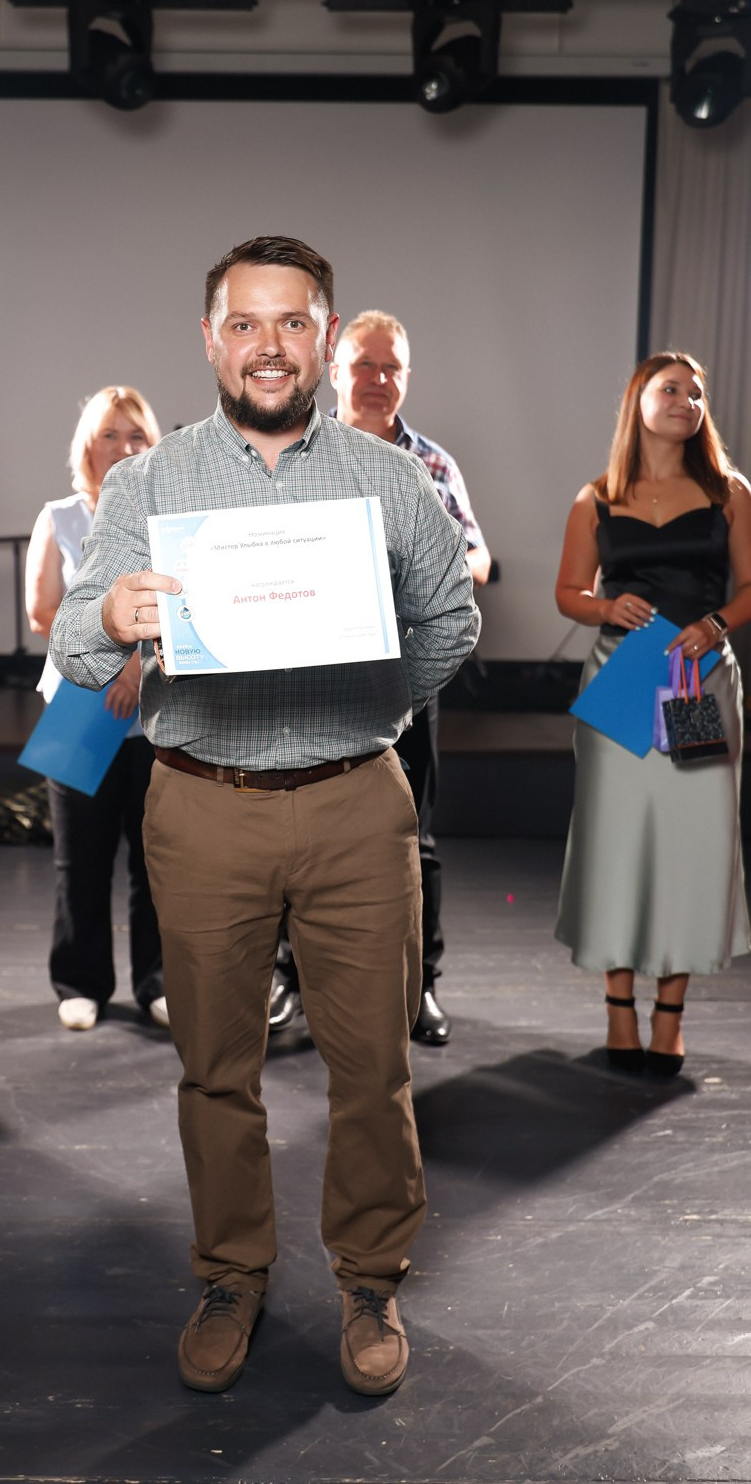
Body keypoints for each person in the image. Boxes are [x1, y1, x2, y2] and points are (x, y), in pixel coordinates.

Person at [49, 236, 480, 1396]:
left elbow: (452, 620)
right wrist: (115, 617)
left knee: (372, 1068)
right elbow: (74, 644)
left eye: (293, 322)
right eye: (244, 323)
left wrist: (368, 693)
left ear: (325, 339)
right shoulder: (149, 484)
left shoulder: (391, 479)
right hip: (203, 807)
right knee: (214, 1070)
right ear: (210, 339)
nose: (269, 346)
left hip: (356, 806)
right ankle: (229, 1274)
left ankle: (369, 1278)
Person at [555, 351, 751, 1073]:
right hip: (625, 672)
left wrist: (718, 624)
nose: (686, 402)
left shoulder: (730, 492)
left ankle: (670, 1015)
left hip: (699, 676)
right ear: (637, 400)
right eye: (670, 389)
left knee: (694, 842)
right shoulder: (596, 497)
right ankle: (618, 1010)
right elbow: (568, 592)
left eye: (695, 394)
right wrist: (605, 608)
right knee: (616, 840)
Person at [331, 310, 491, 1044]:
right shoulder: (296, 453)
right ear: (335, 371)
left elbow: (478, 557)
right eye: (364, 364)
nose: (378, 379)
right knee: (297, 829)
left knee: (413, 835)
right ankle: (288, 978)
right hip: (309, 678)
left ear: (406, 378)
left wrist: (433, 563)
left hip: (405, 674)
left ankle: (419, 985)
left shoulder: (432, 463)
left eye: (391, 367)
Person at [25, 386, 167, 1033]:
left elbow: (180, 606)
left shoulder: (166, 515)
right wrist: (113, 660)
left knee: (156, 857)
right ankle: (80, 983)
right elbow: (42, 613)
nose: (123, 446)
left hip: (155, 711)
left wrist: (139, 669)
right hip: (79, 707)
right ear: (88, 445)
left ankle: (157, 981)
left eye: (136, 435)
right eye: (110, 434)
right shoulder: (58, 517)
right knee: (78, 859)